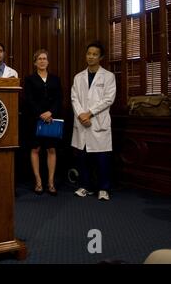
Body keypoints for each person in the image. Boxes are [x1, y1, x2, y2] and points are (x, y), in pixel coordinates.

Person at [72, 41, 116, 201]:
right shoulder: (78, 77)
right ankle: (85, 186)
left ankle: (104, 188)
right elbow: (74, 98)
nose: (91, 57)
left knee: (102, 158)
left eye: (94, 54)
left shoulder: (108, 77)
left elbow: (108, 99)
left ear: (101, 57)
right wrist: (81, 115)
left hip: (98, 122)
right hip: (82, 122)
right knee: (83, 157)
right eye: (89, 54)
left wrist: (89, 113)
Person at [24, 49, 62, 196]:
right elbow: (29, 99)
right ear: (35, 62)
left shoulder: (55, 79)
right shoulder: (29, 79)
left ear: (48, 61)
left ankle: (51, 183)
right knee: (35, 149)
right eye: (39, 59)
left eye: (44, 58)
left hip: (52, 118)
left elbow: (59, 98)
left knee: (51, 149)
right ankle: (38, 181)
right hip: (35, 119)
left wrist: (50, 112)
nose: (42, 61)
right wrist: (41, 113)